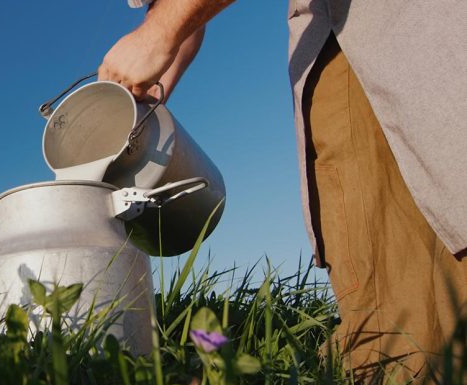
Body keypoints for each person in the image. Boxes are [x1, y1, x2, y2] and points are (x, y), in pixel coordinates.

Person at [98, 0, 467, 382]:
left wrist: (158, 33)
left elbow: (170, 21)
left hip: (407, 20)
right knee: (396, 291)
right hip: (331, 30)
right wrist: (150, 72)